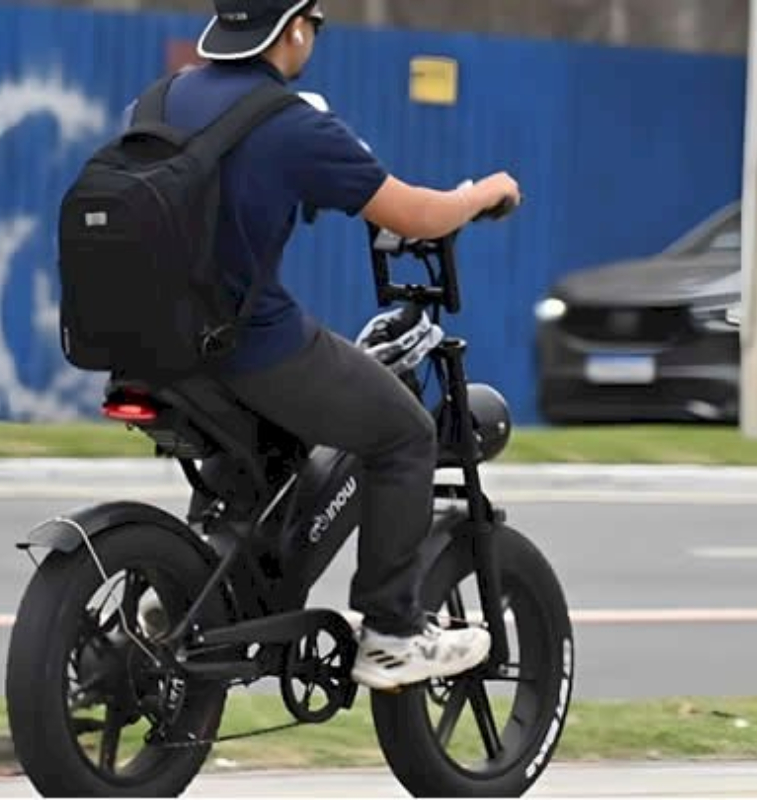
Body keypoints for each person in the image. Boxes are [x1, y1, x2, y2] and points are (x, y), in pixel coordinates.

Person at [148, 0, 521, 691]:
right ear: (293, 29)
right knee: (404, 433)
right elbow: (414, 214)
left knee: (271, 456)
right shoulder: (289, 122)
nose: (313, 38)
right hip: (247, 346)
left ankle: (185, 583)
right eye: (314, 26)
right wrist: (480, 194)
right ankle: (391, 634)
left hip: (150, 345)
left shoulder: (166, 97)